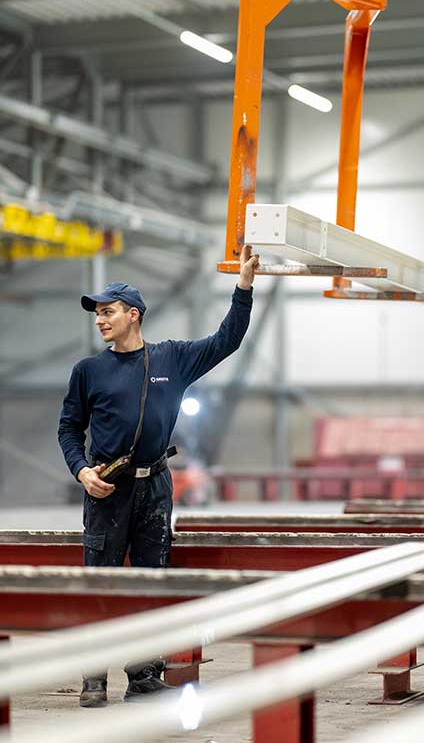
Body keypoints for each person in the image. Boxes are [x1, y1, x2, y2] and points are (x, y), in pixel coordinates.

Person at [58, 244, 258, 707]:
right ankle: (94, 679)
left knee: (152, 580)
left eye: (108, 312)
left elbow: (227, 339)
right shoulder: (88, 370)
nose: (100, 321)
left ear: (133, 315)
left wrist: (243, 287)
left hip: (155, 487)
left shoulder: (172, 359)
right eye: (98, 314)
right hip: (107, 491)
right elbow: (69, 427)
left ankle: (144, 677)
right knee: (101, 582)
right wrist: (82, 471)